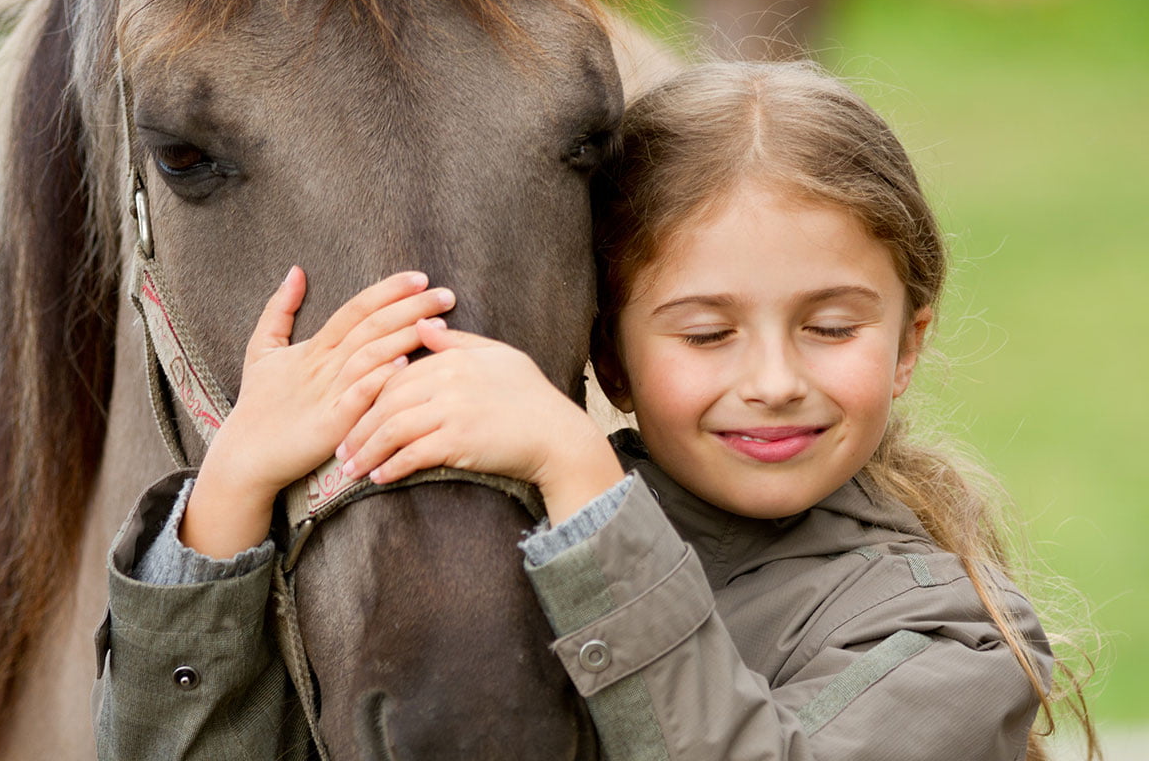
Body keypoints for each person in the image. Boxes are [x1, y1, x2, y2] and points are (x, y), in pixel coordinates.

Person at [95, 60, 1095, 760]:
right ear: (608, 355)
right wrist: (230, 493)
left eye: (831, 327)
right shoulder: (476, 557)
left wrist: (586, 487)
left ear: (908, 342)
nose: (776, 377)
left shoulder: (952, 636)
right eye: (708, 335)